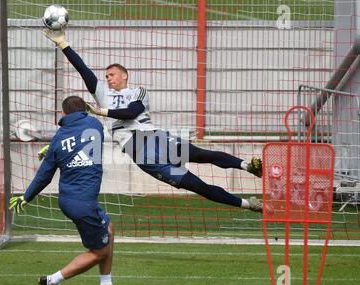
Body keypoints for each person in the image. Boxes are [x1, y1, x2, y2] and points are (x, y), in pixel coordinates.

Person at [42, 29, 263, 213]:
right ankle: (247, 204)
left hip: (156, 139)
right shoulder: (101, 93)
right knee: (198, 186)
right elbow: (82, 69)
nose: (107, 79)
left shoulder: (139, 92)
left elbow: (132, 112)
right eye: (106, 76)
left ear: (124, 75)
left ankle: (247, 166)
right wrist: (63, 44)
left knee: (201, 154)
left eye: (112, 75)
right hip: (141, 152)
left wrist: (102, 113)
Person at [9, 96, 128, 285]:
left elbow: (44, 175)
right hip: (82, 204)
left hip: (72, 200)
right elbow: (83, 138)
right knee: (100, 252)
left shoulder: (58, 138)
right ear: (85, 110)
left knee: (109, 228)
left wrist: (25, 197)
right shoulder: (94, 123)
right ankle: (51, 280)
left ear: (63, 114)